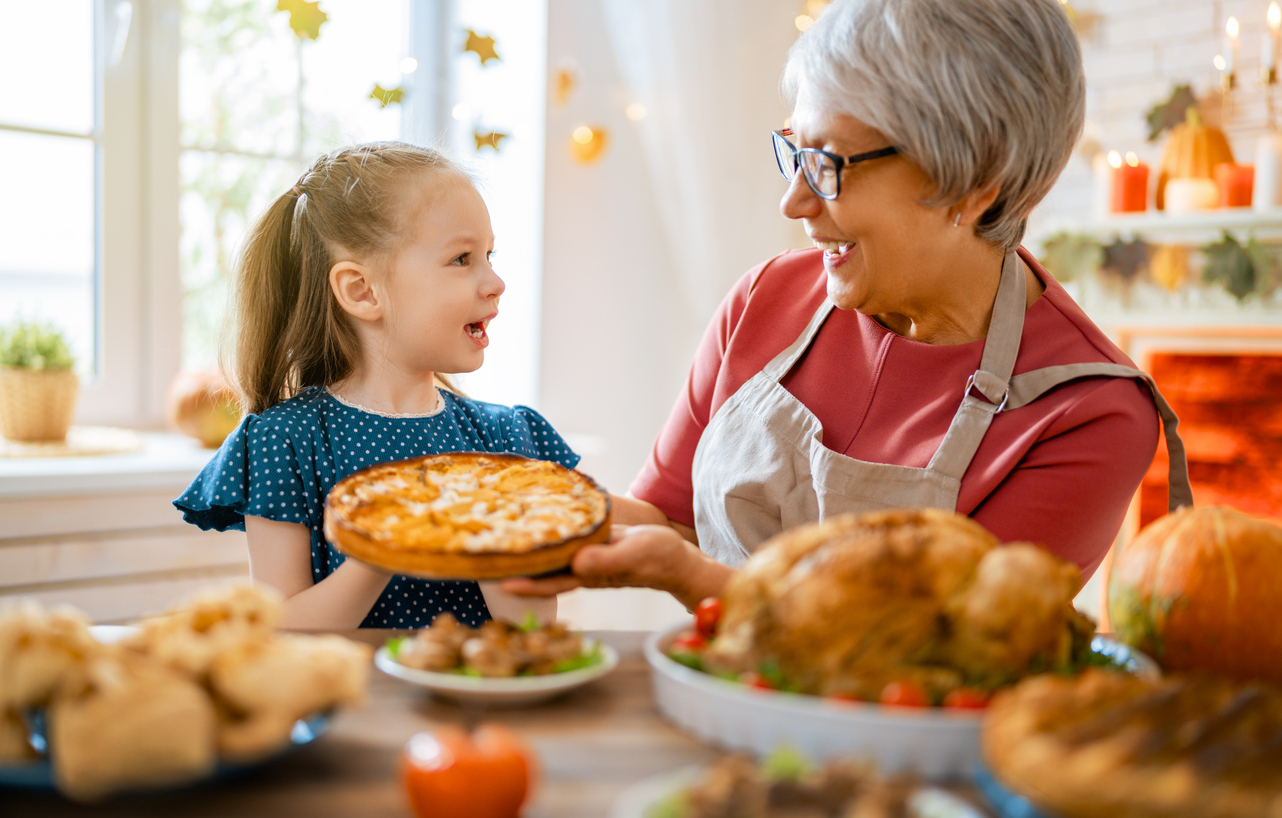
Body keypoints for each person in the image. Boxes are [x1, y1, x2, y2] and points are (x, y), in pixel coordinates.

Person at [503, 0, 1192, 611]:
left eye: (829, 164)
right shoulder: (762, 300)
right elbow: (668, 521)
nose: (794, 202)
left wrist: (692, 581)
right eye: (794, 154)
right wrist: (521, 505)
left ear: (977, 181)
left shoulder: (1090, 413)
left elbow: (927, 649)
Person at [175, 143, 590, 629]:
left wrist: (490, 526)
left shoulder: (506, 440)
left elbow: (532, 629)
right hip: (351, 704)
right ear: (362, 291)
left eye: (489, 255)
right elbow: (280, 631)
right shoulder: (282, 442)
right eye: (462, 258)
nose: (495, 281)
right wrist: (385, 543)